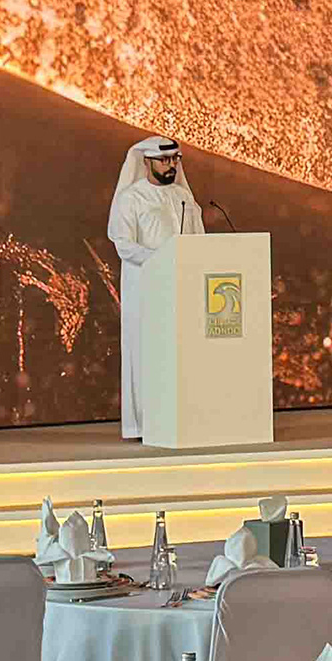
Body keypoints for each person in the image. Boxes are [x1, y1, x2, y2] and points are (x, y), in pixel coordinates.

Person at [108, 137, 225, 440]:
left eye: (175, 159)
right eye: (164, 160)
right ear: (146, 162)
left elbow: (198, 241)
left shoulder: (184, 197)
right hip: (146, 290)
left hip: (182, 288)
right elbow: (124, 246)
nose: (171, 165)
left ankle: (182, 420)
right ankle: (146, 424)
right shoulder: (131, 198)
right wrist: (163, 260)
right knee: (146, 355)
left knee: (182, 355)